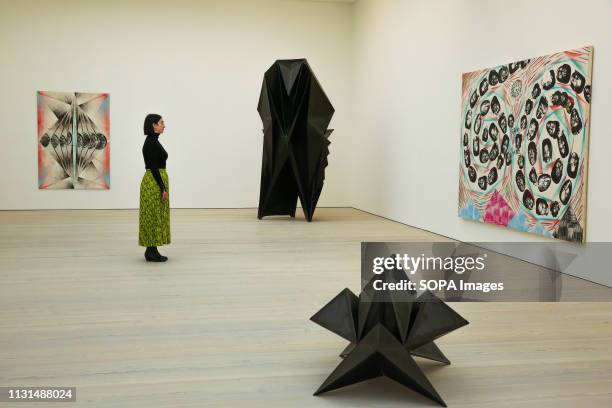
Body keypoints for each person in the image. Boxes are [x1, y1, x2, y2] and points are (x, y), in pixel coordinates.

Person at [139, 114, 170, 262]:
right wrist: (163, 188)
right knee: (152, 215)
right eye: (161, 122)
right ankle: (151, 251)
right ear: (154, 125)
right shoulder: (151, 143)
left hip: (154, 181)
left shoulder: (153, 141)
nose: (164, 125)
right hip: (153, 182)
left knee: (154, 215)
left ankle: (152, 250)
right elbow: (154, 168)